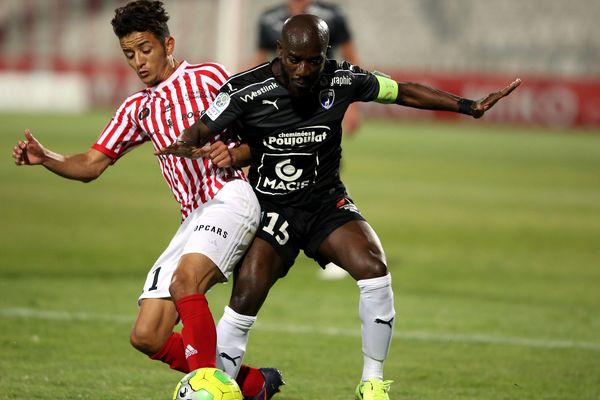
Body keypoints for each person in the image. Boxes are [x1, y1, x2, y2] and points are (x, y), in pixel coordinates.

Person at [157, 14, 521, 400]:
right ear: (279, 51)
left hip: (325, 203)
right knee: (244, 299)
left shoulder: (342, 78)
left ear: (324, 55)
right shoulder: (245, 89)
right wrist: (190, 142)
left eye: (313, 60)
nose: (304, 69)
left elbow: (402, 91)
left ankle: (373, 383)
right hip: (272, 210)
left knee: (374, 268)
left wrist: (468, 107)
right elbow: (202, 128)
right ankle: (220, 389)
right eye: (295, 59)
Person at [11, 1, 283, 399]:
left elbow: (264, 134)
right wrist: (46, 157)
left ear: (167, 43)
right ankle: (255, 384)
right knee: (148, 334)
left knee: (184, 281)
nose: (138, 61)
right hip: (193, 217)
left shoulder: (209, 77)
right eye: (129, 54)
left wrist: (234, 153)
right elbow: (91, 163)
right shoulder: (137, 107)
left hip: (229, 196)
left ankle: (208, 387)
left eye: (145, 49)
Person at [257, 0, 362, 280]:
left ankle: (337, 241)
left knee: (326, 167)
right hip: (281, 108)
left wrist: (353, 104)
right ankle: (276, 237)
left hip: (322, 101)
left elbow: (350, 56)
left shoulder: (332, 15)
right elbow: (259, 62)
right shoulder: (269, 18)